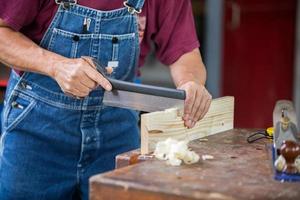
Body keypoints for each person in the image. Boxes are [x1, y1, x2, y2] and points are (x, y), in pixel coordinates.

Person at [0, 0, 212, 199]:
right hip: (37, 130)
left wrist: (191, 83)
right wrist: (55, 66)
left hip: (117, 131)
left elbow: (184, 52)